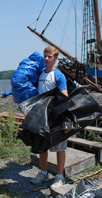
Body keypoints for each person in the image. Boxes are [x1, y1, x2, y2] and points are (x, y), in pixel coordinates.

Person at [30, 46, 71, 189]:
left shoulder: (58, 75)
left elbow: (64, 97)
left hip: (56, 116)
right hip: (42, 116)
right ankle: (44, 173)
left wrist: (66, 121)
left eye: (50, 56)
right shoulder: (40, 74)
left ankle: (60, 176)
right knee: (42, 146)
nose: (47, 59)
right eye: (45, 56)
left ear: (55, 59)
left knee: (59, 147)